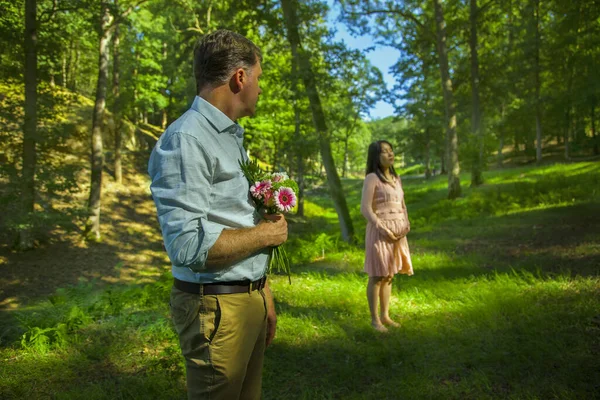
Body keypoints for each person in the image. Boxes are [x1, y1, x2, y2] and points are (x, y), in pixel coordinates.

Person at [148, 30, 288, 400]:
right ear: (239, 78)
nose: (260, 89)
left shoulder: (228, 138)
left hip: (245, 301)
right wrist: (267, 234)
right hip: (215, 308)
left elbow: (237, 216)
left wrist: (262, 294)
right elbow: (187, 246)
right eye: (258, 79)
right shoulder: (187, 140)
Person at [360, 140, 413, 333]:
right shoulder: (372, 178)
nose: (390, 154)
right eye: (384, 152)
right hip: (380, 231)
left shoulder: (397, 179)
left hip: (399, 233)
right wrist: (383, 228)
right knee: (377, 275)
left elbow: (402, 205)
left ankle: (385, 316)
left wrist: (406, 223)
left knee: (389, 275)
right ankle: (375, 321)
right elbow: (365, 209)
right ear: (376, 156)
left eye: (391, 151)